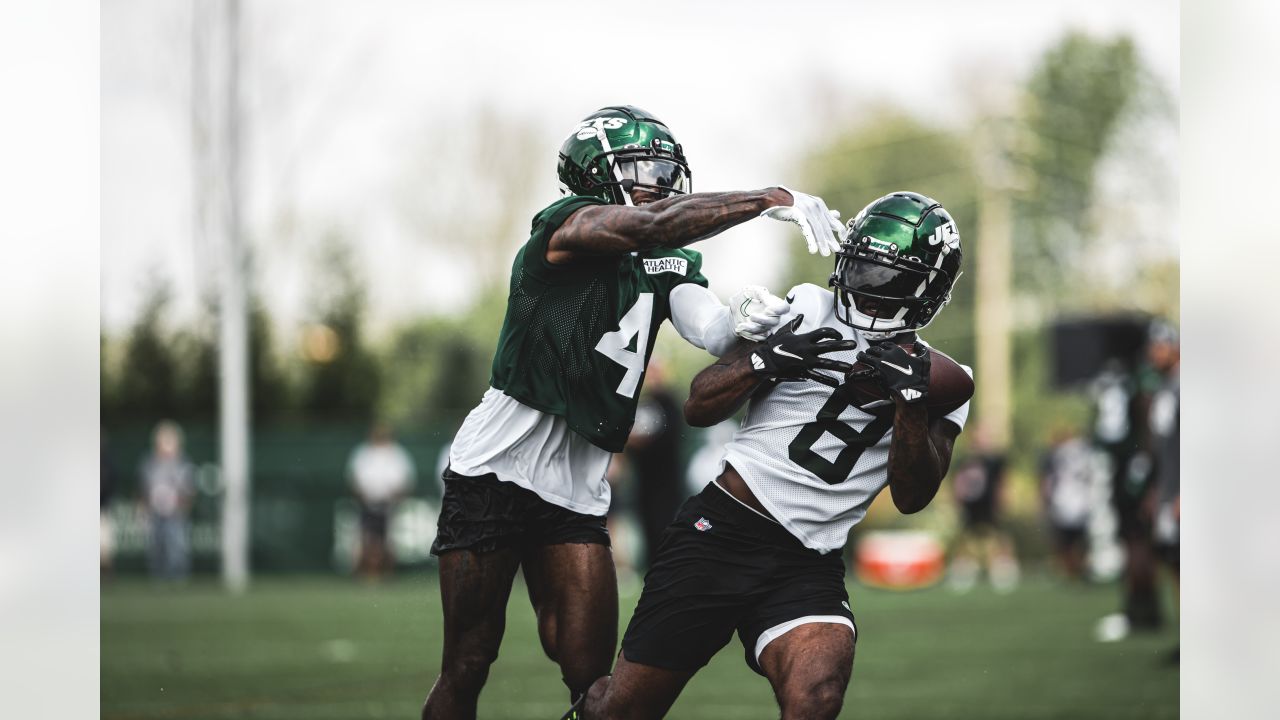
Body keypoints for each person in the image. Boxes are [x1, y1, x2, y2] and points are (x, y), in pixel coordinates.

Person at [421, 105, 843, 720]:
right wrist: (765, 198)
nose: (660, 183)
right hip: (496, 469)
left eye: (667, 171)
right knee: (468, 662)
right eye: (644, 168)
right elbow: (651, 226)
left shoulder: (666, 258)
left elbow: (714, 330)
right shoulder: (563, 230)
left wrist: (750, 319)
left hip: (578, 486)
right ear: (597, 173)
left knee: (596, 683)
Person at [585, 191, 971, 720]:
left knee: (817, 697)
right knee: (622, 712)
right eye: (861, 266)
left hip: (808, 559)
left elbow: (911, 496)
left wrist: (908, 408)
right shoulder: (809, 306)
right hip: (722, 533)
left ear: (928, 289)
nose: (867, 286)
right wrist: (767, 359)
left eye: (890, 278)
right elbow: (700, 404)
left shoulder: (946, 383)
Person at [623, 358, 687, 569]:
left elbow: (669, 436)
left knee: (665, 520)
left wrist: (642, 442)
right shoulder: (644, 403)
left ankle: (668, 564)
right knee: (646, 520)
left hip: (667, 478)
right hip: (646, 478)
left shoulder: (670, 402)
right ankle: (651, 564)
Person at [947, 426, 1020, 593]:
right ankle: (964, 571)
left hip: (990, 504)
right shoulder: (963, 461)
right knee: (965, 538)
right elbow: (957, 483)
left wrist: (1004, 498)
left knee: (999, 536)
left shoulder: (995, 461)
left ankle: (1004, 570)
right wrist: (956, 501)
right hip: (971, 505)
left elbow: (1003, 482)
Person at [347, 423, 417, 580]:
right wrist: (363, 497)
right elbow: (354, 481)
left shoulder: (397, 454)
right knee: (365, 540)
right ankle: (364, 574)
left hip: (389, 505)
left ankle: (387, 574)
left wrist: (395, 497)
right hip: (367, 504)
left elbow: (405, 481)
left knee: (389, 541)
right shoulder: (363, 453)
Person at [139, 420, 196, 581]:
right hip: (155, 511)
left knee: (176, 545)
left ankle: (178, 577)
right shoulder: (149, 463)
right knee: (156, 546)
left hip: (175, 512)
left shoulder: (182, 463)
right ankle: (158, 576)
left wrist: (182, 505)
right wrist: (144, 507)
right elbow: (144, 487)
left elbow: (188, 488)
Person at [1039, 426, 1094, 582]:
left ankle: (1075, 571)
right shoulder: (1083, 450)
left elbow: (1047, 481)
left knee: (1068, 542)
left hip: (1066, 501)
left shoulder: (1059, 454)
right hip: (1080, 501)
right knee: (1076, 542)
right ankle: (1076, 570)